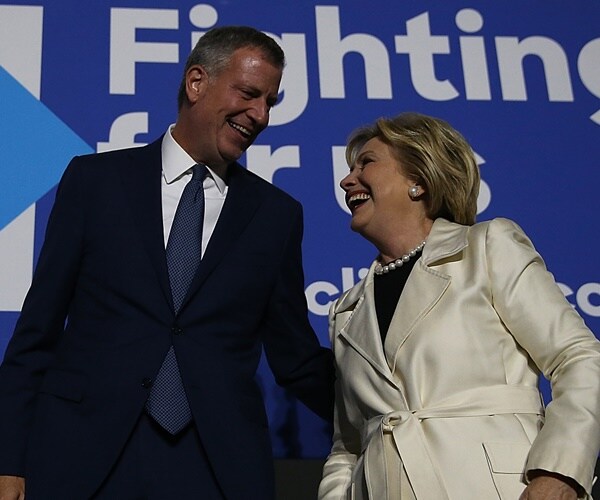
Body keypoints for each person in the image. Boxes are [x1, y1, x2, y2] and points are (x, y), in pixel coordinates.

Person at [0, 26, 334, 499]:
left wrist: (393, 411)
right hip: (83, 455)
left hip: (214, 467)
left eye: (270, 103)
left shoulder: (276, 216)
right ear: (197, 82)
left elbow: (296, 358)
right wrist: (7, 459)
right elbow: (36, 333)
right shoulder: (95, 182)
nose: (259, 115)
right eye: (249, 94)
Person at [318, 112, 600, 500]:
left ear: (418, 179)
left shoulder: (487, 247)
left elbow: (579, 357)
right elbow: (347, 446)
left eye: (366, 162)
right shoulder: (346, 312)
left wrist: (560, 472)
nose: (346, 180)